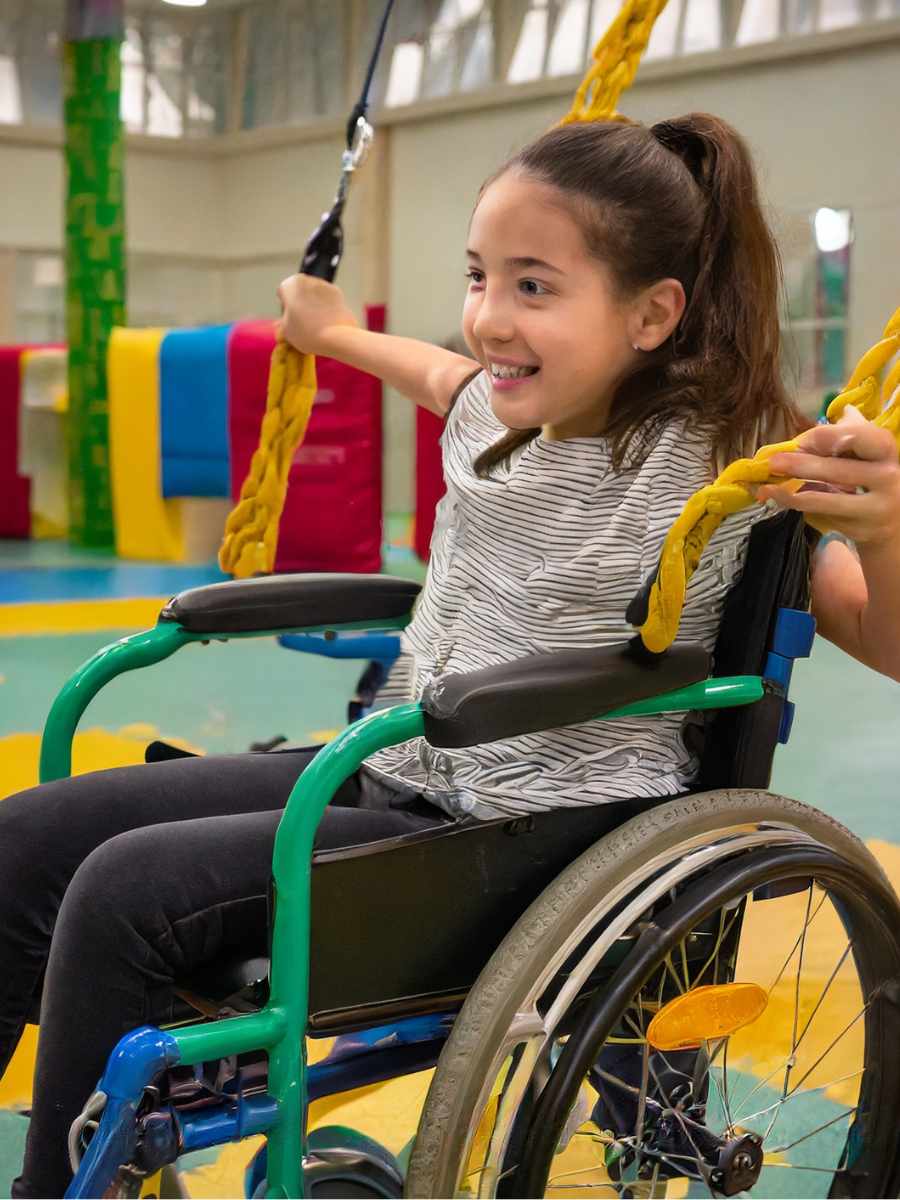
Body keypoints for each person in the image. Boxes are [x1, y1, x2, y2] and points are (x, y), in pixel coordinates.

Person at [2, 114, 899, 1197]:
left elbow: (878, 635)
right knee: (22, 841)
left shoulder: (727, 468)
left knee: (121, 893)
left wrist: (884, 533)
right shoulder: (497, 408)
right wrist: (331, 331)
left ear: (653, 313)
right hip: (406, 774)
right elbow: (432, 372)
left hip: (536, 834)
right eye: (479, 276)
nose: (486, 319)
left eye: (533, 287)